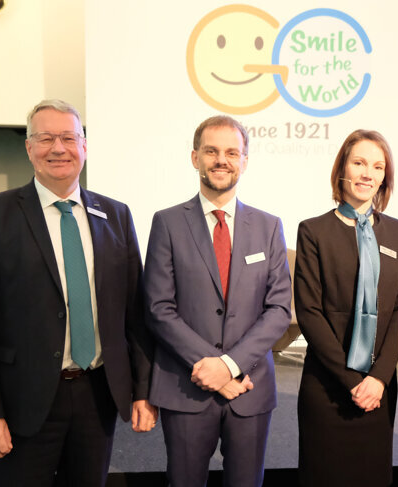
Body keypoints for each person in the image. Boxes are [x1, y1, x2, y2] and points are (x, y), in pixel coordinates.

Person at [0, 99, 156, 486]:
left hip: (98, 394)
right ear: (29, 148)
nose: (58, 148)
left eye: (68, 137)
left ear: (84, 146)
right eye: (45, 138)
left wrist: (142, 389)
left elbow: (135, 313)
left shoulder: (116, 215)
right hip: (22, 401)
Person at [143, 115, 291, 487]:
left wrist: (228, 365)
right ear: (195, 158)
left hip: (249, 387)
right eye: (211, 151)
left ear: (244, 161)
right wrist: (209, 367)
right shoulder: (167, 223)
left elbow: (278, 311)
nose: (221, 160)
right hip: (185, 386)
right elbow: (159, 309)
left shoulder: (268, 226)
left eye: (231, 152)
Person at [294, 130, 398, 487]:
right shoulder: (313, 231)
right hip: (328, 386)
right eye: (359, 162)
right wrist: (352, 381)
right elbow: (310, 312)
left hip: (377, 390)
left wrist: (378, 379)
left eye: (377, 166)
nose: (367, 173)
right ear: (342, 168)